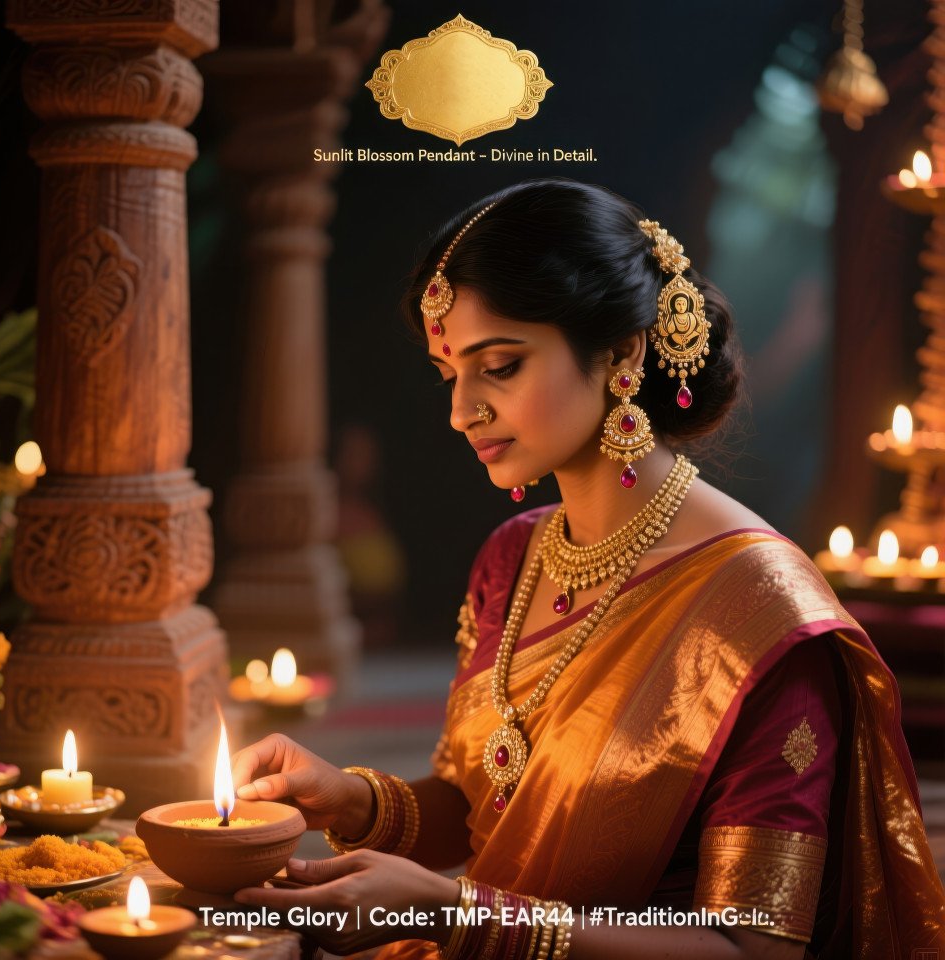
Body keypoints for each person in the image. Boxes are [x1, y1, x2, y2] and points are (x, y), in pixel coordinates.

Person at [230, 180, 945, 959]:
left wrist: (456, 915)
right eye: (449, 374)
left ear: (623, 353)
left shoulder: (757, 615)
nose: (460, 408)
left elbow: (754, 947)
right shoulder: (514, 556)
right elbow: (485, 808)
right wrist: (352, 798)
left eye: (498, 365)